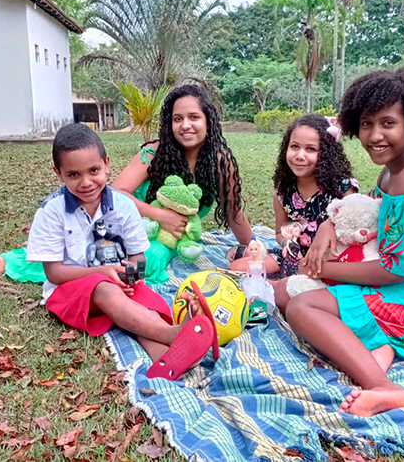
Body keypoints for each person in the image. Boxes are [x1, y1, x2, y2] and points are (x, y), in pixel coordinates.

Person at [278, 68, 404, 417]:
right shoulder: (394, 169)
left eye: (388, 123)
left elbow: (396, 270)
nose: (374, 135)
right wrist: (327, 224)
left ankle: (382, 386)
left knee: (301, 307)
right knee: (282, 291)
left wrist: (327, 268)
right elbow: (365, 208)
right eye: (367, 124)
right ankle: (378, 348)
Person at [26, 123, 218, 380]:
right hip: (71, 291)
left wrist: (132, 274)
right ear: (58, 173)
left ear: (106, 164)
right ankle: (174, 334)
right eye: (73, 175)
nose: (86, 182)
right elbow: (53, 273)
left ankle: (166, 363)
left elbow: (138, 257)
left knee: (140, 312)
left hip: (121, 285)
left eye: (94, 170)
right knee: (106, 289)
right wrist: (103, 273)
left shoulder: (123, 205)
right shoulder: (52, 210)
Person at [112, 84, 253, 284]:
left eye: (194, 117)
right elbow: (115, 193)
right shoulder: (154, 154)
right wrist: (160, 215)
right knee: (136, 261)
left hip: (176, 241)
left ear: (208, 121)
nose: (185, 125)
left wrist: (252, 247)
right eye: (178, 119)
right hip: (135, 228)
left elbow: (233, 210)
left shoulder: (220, 162)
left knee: (151, 262)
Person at [228, 114, 358, 277]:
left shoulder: (342, 188)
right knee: (237, 267)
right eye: (294, 146)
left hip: (331, 259)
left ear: (326, 154)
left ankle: (279, 285)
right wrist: (289, 244)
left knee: (299, 283)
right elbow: (278, 232)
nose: (300, 155)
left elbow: (353, 229)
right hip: (293, 256)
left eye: (310, 149)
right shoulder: (283, 191)